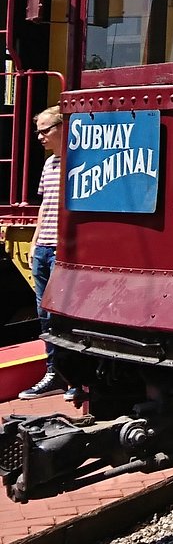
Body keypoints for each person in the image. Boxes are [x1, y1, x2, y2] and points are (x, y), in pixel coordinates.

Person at [18, 105, 68, 399]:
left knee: (63, 315)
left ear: (62, 128)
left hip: (63, 250)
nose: (40, 136)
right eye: (38, 131)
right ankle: (54, 372)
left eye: (45, 130)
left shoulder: (77, 162)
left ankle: (69, 375)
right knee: (44, 314)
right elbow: (45, 206)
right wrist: (36, 240)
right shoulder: (50, 164)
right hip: (44, 248)